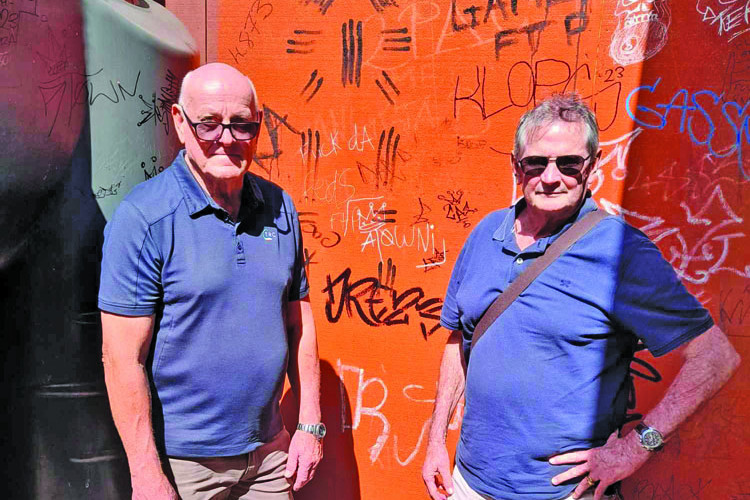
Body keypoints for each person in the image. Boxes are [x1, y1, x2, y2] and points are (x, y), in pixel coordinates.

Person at [421, 94, 740, 500]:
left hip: (560, 494)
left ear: (592, 165)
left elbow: (715, 357)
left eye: (568, 163)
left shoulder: (620, 252)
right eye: (536, 162)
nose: (551, 177)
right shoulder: (485, 234)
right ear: (517, 166)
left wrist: (635, 449)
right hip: (467, 484)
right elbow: (457, 342)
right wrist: (435, 441)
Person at [99, 63, 324, 500]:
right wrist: (146, 473)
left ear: (258, 128)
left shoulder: (280, 208)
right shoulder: (146, 218)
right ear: (181, 124)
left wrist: (309, 424)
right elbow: (122, 359)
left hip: (269, 458)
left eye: (241, 124)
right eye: (209, 124)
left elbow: (301, 323)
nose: (226, 138)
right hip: (183, 468)